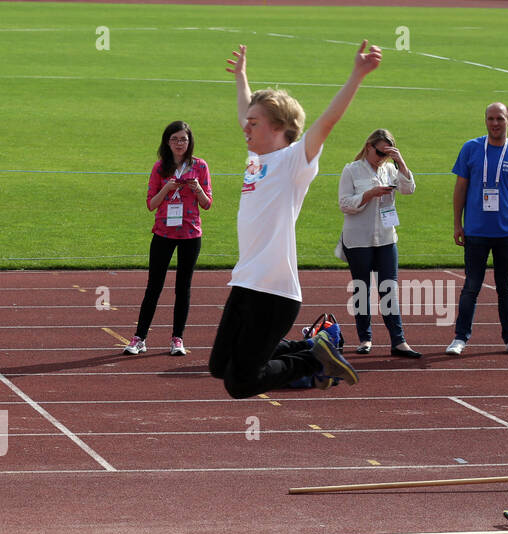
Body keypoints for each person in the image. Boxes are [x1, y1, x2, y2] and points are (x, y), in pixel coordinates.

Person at [209, 41, 381, 399]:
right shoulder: (257, 160)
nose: (245, 127)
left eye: (254, 124)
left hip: (273, 291)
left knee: (241, 383)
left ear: (279, 128)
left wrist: (357, 75)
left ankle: (314, 363)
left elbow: (328, 122)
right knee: (218, 366)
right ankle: (313, 348)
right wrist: (241, 77)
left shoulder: (293, 161)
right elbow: (246, 112)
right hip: (246, 281)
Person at [449, 102, 508, 356]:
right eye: (490, 118)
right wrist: (457, 223)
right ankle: (460, 338)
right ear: (485, 121)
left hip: (507, 232)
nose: (494, 123)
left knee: (506, 288)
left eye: (499, 118)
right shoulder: (471, 148)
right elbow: (460, 188)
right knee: (471, 286)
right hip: (476, 231)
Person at [125, 121, 212, 356]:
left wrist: (197, 190)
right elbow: (151, 205)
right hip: (163, 232)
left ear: (189, 141)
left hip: (190, 234)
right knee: (154, 286)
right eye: (174, 139)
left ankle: (177, 339)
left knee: (183, 288)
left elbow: (207, 204)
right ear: (167, 142)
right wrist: (167, 189)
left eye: (183, 139)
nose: (179, 143)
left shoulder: (200, 166)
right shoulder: (160, 168)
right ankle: (139, 338)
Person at [337, 129, 420, 357]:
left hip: (385, 237)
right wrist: (368, 195)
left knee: (389, 289)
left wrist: (400, 162)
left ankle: (399, 341)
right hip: (358, 239)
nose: (382, 157)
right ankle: (365, 339)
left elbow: (408, 189)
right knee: (362, 289)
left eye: (387, 153)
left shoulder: (390, 169)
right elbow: (344, 204)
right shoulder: (351, 170)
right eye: (379, 152)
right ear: (368, 146)